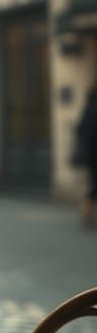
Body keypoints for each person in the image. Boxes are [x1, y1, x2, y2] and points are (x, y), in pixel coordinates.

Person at [75, 81, 97, 229]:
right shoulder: (93, 107)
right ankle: (86, 212)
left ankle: (86, 211)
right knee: (94, 185)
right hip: (93, 153)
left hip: (90, 153)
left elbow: (80, 128)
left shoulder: (90, 105)